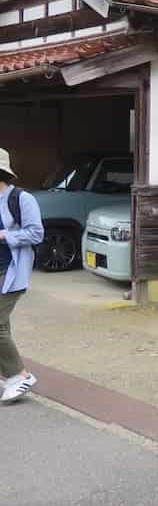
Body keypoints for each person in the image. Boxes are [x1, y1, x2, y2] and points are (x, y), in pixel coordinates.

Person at [0, 149, 44, 405]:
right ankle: (10, 377)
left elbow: (36, 233)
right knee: (2, 326)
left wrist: (5, 235)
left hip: (11, 273)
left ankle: (20, 375)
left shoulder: (22, 199)